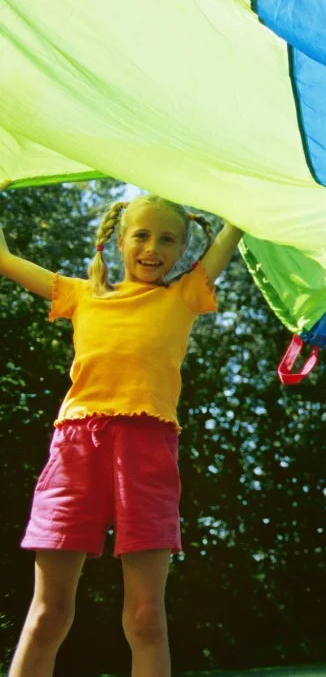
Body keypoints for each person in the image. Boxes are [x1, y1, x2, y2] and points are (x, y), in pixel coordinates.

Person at [2, 194, 243, 677]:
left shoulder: (185, 294)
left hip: (148, 448)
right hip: (75, 447)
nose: (153, 248)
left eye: (168, 239)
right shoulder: (80, 295)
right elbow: (4, 259)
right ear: (118, 240)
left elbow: (235, 223)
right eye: (142, 235)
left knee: (146, 618)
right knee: (49, 614)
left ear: (182, 251)